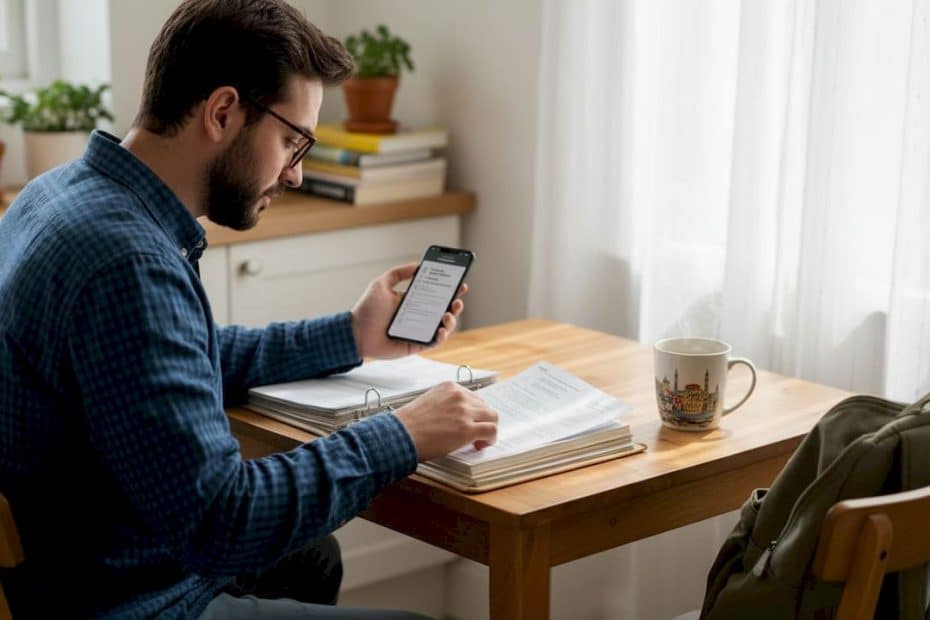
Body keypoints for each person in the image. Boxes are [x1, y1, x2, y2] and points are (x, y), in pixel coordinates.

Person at [0, 0, 498, 618]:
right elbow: (223, 520)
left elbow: (176, 358)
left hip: (83, 560)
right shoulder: (129, 262)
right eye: (292, 141)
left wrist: (350, 334)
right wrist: (402, 434)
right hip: (129, 598)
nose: (294, 175)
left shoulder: (59, 194)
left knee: (315, 557)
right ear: (223, 111)